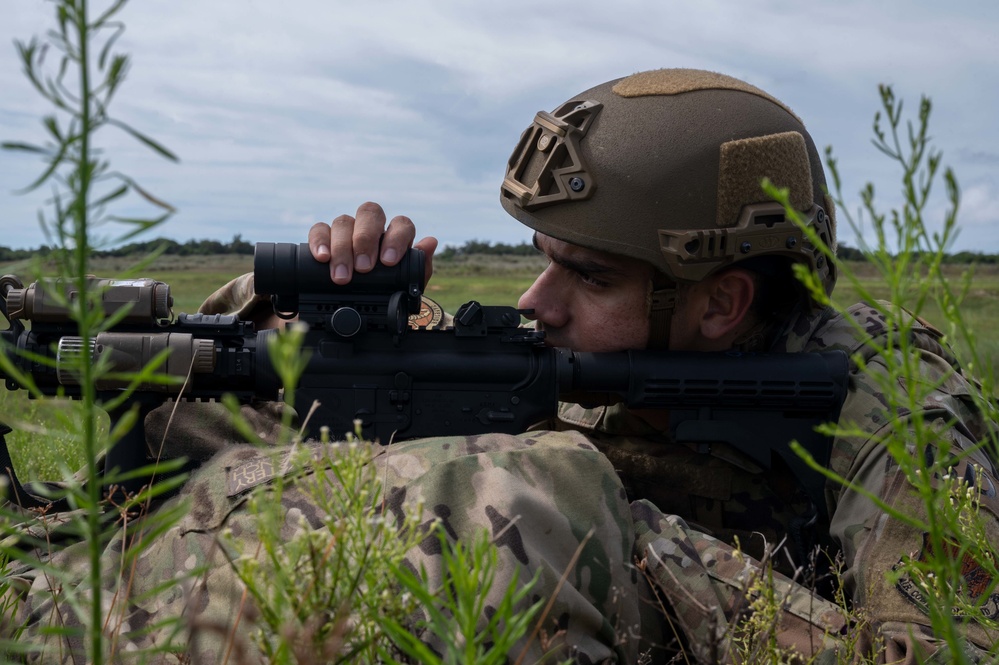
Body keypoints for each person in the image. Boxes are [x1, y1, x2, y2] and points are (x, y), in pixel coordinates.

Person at [8, 68, 999, 663]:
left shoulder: (891, 407)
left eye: (589, 275)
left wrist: (635, 551)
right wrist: (312, 315)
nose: (538, 301)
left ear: (722, 302)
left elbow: (954, 645)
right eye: (540, 259)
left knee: (528, 498)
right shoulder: (567, 352)